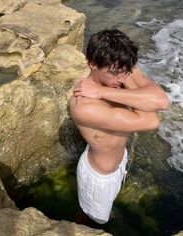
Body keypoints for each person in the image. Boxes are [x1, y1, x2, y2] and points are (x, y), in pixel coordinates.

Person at [69, 29, 169, 224]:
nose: (121, 79)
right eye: (114, 74)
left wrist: (102, 90)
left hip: (118, 161)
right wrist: (132, 88)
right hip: (99, 178)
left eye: (126, 72)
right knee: (92, 219)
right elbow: (152, 120)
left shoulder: (119, 66)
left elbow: (162, 101)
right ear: (92, 64)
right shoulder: (84, 107)